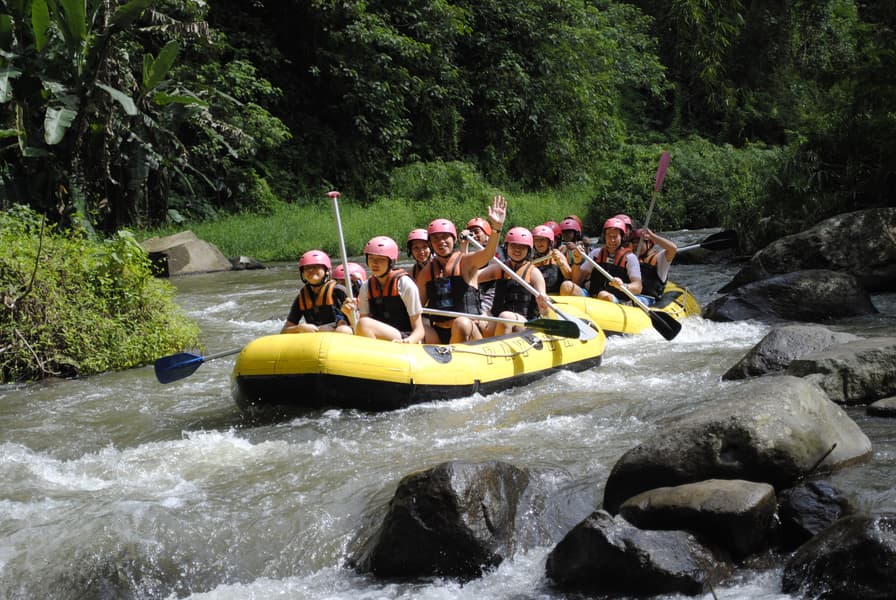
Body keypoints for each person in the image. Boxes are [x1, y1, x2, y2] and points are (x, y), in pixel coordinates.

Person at [416, 195, 507, 343]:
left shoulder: (466, 261)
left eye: (445, 237)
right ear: (431, 244)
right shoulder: (427, 271)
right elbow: (418, 307)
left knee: (461, 323)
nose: (441, 242)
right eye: (436, 239)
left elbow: (488, 254)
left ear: (454, 239)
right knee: (422, 323)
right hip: (440, 333)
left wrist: (496, 228)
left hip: (468, 332)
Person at [340, 236, 426, 343]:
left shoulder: (404, 284)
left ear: (391, 262)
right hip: (381, 338)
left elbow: (419, 330)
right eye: (371, 258)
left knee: (365, 323)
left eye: (381, 259)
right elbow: (361, 329)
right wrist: (350, 314)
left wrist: (409, 341)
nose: (375, 263)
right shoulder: (366, 287)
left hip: (404, 336)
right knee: (344, 330)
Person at [478, 227, 550, 336]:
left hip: (524, 322)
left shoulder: (534, 273)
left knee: (506, 317)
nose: (517, 249)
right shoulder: (501, 268)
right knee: (475, 317)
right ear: (507, 247)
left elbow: (544, 307)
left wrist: (543, 302)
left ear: (528, 250)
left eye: (522, 247)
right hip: (497, 317)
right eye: (513, 245)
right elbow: (472, 277)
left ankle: (500, 349)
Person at [560, 217, 643, 304]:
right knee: (566, 286)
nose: (612, 240)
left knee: (603, 295)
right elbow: (577, 280)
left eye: (615, 236)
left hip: (615, 300)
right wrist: (577, 262)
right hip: (592, 296)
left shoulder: (630, 258)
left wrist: (623, 286)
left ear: (622, 237)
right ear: (605, 236)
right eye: (609, 236)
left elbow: (638, 287)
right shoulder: (596, 253)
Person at [281, 250, 353, 334]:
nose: (311, 270)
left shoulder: (339, 291)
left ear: (326, 270)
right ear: (302, 273)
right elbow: (284, 330)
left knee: (342, 330)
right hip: (317, 339)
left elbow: (357, 321)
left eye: (316, 266)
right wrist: (299, 328)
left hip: (342, 333)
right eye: (306, 268)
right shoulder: (302, 297)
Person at [460, 216, 505, 316]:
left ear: (486, 233)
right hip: (477, 292)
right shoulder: (475, 252)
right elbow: (463, 266)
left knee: (475, 312)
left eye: (477, 232)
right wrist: (464, 244)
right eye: (471, 233)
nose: (473, 236)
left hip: (492, 293)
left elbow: (468, 274)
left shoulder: (495, 250)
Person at [630, 228, 678, 305]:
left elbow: (673, 249)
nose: (636, 245)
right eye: (634, 242)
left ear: (649, 244)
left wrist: (652, 236)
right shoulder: (632, 258)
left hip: (649, 300)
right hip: (632, 296)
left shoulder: (660, 259)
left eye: (639, 242)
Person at [531, 223, 570, 294]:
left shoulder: (558, 255)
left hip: (556, 297)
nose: (539, 243)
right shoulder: (530, 260)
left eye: (543, 239)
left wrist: (561, 263)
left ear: (549, 242)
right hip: (538, 296)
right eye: (536, 240)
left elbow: (569, 276)